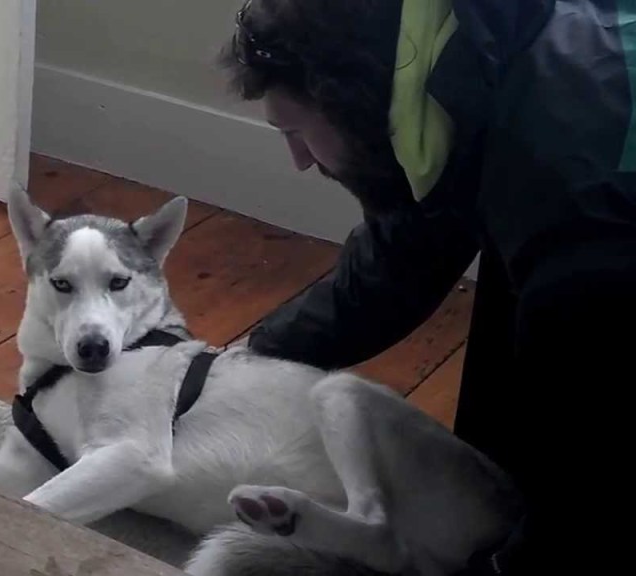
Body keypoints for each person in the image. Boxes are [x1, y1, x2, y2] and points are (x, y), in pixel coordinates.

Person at [227, 0, 636, 574]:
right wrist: (252, 357)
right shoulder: (461, 65)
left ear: (352, 100)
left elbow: (593, 480)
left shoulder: (573, 226)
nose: (297, 159)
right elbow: (405, 253)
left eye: (294, 130)